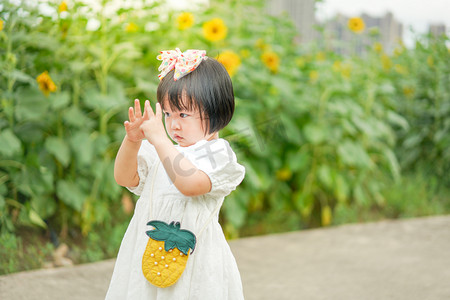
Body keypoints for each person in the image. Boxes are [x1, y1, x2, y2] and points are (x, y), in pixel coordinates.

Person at [106, 49, 246, 299]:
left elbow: (189, 184)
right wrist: (132, 141)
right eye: (168, 114)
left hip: (196, 261)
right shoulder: (161, 151)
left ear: (216, 112)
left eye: (183, 114)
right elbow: (124, 178)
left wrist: (160, 140)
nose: (173, 125)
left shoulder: (217, 154)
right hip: (148, 250)